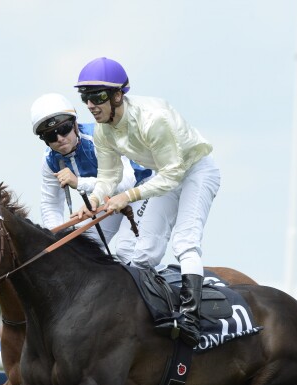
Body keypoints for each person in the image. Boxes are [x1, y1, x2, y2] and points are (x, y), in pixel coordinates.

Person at [73, 57, 221, 347]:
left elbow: (172, 173)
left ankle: (191, 320)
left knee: (185, 242)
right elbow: (109, 175)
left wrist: (126, 197)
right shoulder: (103, 130)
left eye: (97, 97)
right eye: (85, 98)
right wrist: (92, 201)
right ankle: (142, 316)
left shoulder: (153, 120)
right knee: (144, 253)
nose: (90, 105)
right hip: (167, 174)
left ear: (118, 95)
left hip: (196, 170)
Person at [30, 92, 152, 256]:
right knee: (79, 250)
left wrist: (79, 182)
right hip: (110, 200)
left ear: (74, 124)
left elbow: (126, 182)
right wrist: (57, 242)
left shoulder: (100, 137)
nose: (59, 138)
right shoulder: (50, 161)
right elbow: (50, 204)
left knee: (126, 250)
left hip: (141, 189)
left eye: (64, 129)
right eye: (51, 135)